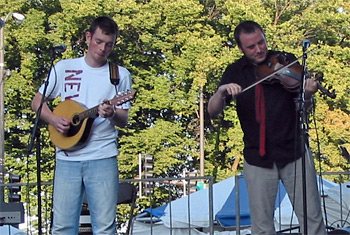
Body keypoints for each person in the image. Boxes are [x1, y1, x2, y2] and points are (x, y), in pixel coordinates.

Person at [208, 20, 326, 235]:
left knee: (312, 219)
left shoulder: (286, 60)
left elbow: (303, 108)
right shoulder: (234, 71)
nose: (259, 49)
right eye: (251, 47)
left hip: (294, 150)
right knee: (262, 226)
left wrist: (307, 94)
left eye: (261, 42)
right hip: (257, 157)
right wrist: (221, 92)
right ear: (241, 48)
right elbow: (212, 111)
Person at [31, 16, 132, 234]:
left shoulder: (120, 75)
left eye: (109, 44)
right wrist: (54, 119)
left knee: (105, 227)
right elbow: (37, 101)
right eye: (98, 41)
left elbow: (123, 120)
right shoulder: (64, 67)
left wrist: (112, 112)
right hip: (66, 157)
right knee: (62, 226)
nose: (103, 48)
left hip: (102, 156)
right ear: (88, 37)